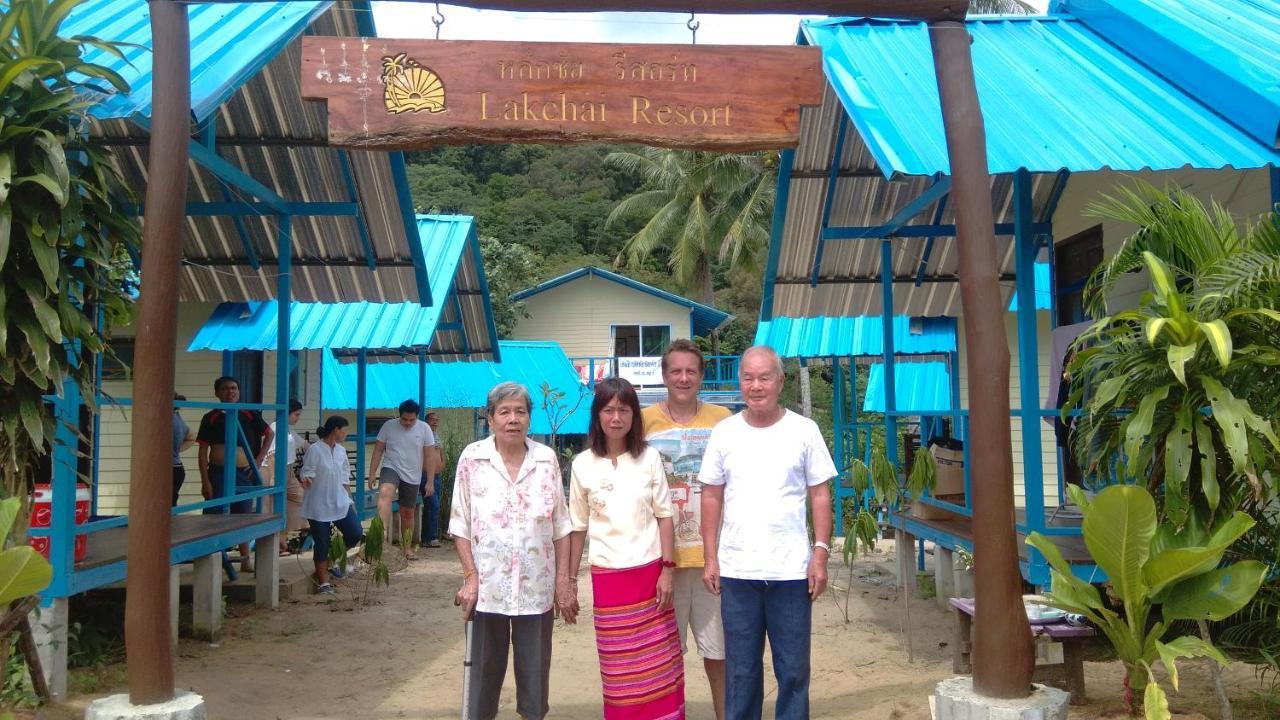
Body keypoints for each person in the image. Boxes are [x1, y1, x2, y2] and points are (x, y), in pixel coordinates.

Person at [700, 345, 835, 720]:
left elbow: (820, 494)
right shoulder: (724, 432)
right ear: (739, 381)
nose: (755, 385)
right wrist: (710, 557)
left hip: (791, 573)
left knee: (792, 670)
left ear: (780, 381)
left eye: (764, 377)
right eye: (748, 377)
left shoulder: (804, 431)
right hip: (737, 572)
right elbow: (711, 496)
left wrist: (820, 553)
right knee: (741, 672)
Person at [450, 382, 572, 720]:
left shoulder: (546, 460)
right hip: (488, 591)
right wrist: (470, 577)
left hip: (536, 589)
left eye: (520, 411)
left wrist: (563, 581)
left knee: (534, 680)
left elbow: (561, 526)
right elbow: (460, 524)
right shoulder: (472, 459)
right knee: (483, 678)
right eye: (504, 412)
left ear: (530, 418)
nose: (513, 419)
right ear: (490, 418)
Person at [567, 378, 685, 719]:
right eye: (608, 410)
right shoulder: (581, 464)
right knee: (620, 673)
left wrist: (667, 569)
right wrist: (569, 581)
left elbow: (665, 516)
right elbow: (578, 526)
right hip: (608, 580)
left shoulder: (649, 458)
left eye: (623, 409)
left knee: (659, 666)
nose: (616, 417)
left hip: (651, 577)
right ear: (597, 415)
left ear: (634, 415)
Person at [642, 339, 733, 720]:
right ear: (664, 376)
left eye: (690, 371)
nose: (683, 378)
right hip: (663, 561)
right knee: (664, 657)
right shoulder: (643, 421)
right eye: (675, 371)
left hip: (715, 558)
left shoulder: (724, 419)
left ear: (701, 376)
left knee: (721, 654)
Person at [197, 376, 273, 573]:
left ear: (239, 392)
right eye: (225, 389)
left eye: (234, 388)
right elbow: (202, 450)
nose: (230, 392)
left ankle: (245, 560)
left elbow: (269, 434)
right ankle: (214, 558)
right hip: (218, 472)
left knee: (243, 514)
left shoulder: (248, 413)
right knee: (215, 515)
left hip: (243, 473)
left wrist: (258, 460)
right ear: (217, 393)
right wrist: (205, 480)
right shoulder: (211, 417)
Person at [300, 416, 363, 595]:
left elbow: (345, 479)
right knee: (322, 542)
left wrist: (351, 501)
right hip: (319, 503)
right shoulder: (315, 449)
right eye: (344, 429)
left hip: (339, 501)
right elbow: (306, 471)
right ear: (336, 430)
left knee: (355, 533)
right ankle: (324, 583)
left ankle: (332, 559)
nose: (346, 433)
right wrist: (307, 479)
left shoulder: (341, 451)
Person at [368, 399, 437, 558]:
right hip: (391, 466)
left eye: (411, 420)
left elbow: (430, 455)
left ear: (417, 417)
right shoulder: (388, 426)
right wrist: (372, 473)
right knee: (385, 493)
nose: (407, 423)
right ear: (399, 416)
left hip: (413, 473)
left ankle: (406, 548)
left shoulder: (424, 429)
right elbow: (378, 450)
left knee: (407, 512)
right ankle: (381, 540)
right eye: (404, 419)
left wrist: (430, 481)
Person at [264, 399, 308, 553]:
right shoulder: (276, 428)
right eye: (296, 414)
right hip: (278, 471)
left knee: (300, 498)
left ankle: (286, 536)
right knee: (277, 506)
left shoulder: (289, 430)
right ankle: (279, 541)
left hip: (289, 471)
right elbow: (271, 454)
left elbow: (303, 444)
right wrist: (273, 478)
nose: (297, 418)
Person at [420, 410, 444, 548]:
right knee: (432, 505)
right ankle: (430, 537)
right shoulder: (424, 435)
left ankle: (428, 537)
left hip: (437, 475)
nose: (435, 422)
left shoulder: (436, 436)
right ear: (426, 421)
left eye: (437, 420)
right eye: (432, 420)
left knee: (434, 506)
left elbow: (440, 452)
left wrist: (442, 463)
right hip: (426, 475)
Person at [172, 394, 195, 507]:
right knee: (171, 501)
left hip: (169, 469)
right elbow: (191, 437)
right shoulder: (177, 417)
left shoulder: (170, 418)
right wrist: (176, 450)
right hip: (177, 466)